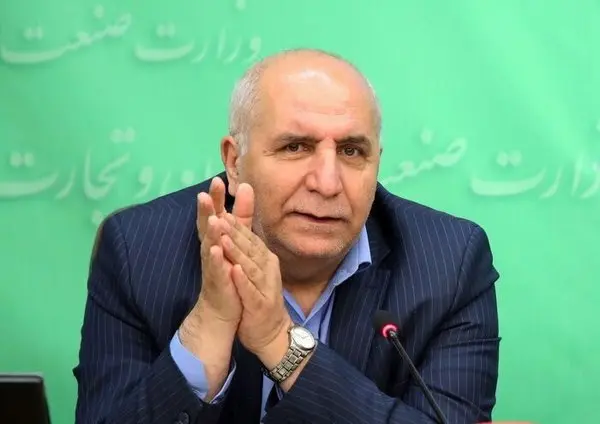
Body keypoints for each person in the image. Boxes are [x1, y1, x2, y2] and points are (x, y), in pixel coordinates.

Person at [73, 48, 501, 424]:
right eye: (296, 147)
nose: (327, 183)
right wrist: (208, 327)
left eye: (352, 151)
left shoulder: (450, 264)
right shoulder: (139, 252)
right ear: (235, 162)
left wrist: (281, 342)